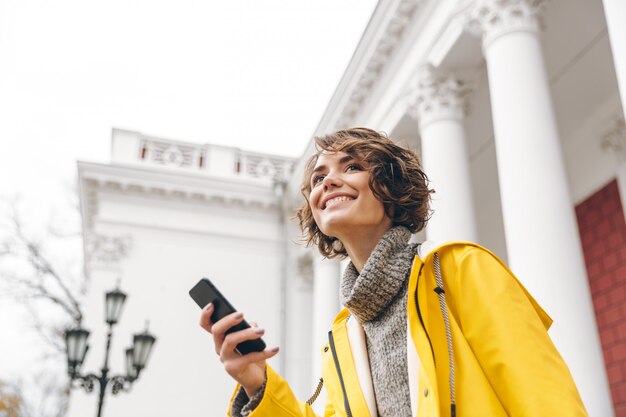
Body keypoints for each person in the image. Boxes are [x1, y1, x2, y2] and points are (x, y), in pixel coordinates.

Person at [199, 128, 588, 416]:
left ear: (390, 185)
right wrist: (257, 383)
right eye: (318, 178)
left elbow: (544, 397)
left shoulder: (461, 269)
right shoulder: (343, 336)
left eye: (351, 166)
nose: (328, 181)